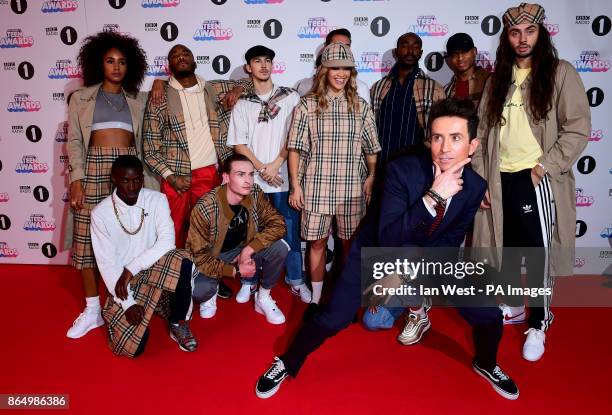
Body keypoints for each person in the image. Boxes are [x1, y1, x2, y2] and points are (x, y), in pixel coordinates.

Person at [256, 98, 520, 400]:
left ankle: (486, 363)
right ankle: (287, 363)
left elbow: (451, 239)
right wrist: (433, 197)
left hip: (427, 256)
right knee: (333, 318)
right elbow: (388, 237)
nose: (445, 148)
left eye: (456, 138)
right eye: (437, 137)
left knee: (487, 312)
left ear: (472, 146)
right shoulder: (401, 172)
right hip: (376, 251)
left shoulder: (474, 186)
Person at [472, 2, 590, 361]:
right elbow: (482, 132)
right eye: (514, 32)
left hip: (535, 177)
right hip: (498, 176)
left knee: (539, 255)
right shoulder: (497, 79)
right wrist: (480, 179)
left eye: (530, 31)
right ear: (506, 38)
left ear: (542, 34)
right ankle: (514, 305)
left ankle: (538, 322)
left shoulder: (561, 73)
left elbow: (578, 128)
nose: (522, 39)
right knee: (506, 249)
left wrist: (544, 167)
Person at [65, 31, 158, 339]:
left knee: (130, 239)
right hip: (93, 169)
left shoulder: (138, 99)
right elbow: (76, 142)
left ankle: (126, 299)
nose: (116, 67)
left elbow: (171, 96)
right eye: (109, 61)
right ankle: (93, 310)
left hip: (129, 170)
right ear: (98, 63)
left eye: (122, 62)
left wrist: (159, 82)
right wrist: (77, 179)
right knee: (87, 242)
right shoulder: (82, 97)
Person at [143, 44, 245, 299]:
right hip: (175, 176)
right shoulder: (160, 96)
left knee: (210, 233)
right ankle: (174, 283)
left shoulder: (212, 88)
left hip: (209, 174)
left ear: (194, 60)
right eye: (175, 56)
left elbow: (253, 82)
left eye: (185, 54)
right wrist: (169, 176)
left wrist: (239, 88)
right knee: (173, 232)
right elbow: (149, 146)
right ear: (169, 65)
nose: (181, 58)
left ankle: (209, 278)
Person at [287, 42, 381, 312]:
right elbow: (295, 148)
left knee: (349, 244)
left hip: (352, 187)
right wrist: (295, 185)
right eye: (334, 67)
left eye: (346, 68)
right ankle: (316, 297)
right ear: (323, 70)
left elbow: (371, 147)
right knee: (316, 241)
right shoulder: (307, 105)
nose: (340, 73)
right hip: (316, 185)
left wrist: (372, 175)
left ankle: (347, 295)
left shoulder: (361, 106)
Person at [363, 32, 445, 332]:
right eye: (404, 45)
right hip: (383, 174)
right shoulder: (380, 87)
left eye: (415, 46)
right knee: (384, 234)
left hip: (417, 178)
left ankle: (416, 299)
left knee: (414, 236)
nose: (410, 50)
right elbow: (370, 134)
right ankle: (384, 286)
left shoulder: (432, 88)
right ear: (396, 51)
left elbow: (440, 136)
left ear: (421, 50)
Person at [227, 45, 311, 304]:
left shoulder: (291, 98)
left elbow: (295, 137)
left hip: (285, 178)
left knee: (291, 232)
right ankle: (249, 280)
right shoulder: (242, 104)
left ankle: (295, 280)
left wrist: (276, 164)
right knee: (250, 233)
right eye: (257, 61)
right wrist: (263, 168)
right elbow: (239, 144)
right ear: (248, 68)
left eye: (267, 61)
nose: (263, 66)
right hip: (254, 182)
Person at [90, 155, 197, 357]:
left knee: (184, 260)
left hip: (154, 269)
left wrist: (131, 268)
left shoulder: (157, 199)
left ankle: (178, 320)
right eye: (125, 181)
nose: (132, 187)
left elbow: (167, 242)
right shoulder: (100, 214)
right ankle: (145, 306)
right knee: (132, 349)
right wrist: (128, 304)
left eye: (137, 179)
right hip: (123, 282)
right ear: (114, 179)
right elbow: (107, 263)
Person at [187, 154, 289, 324]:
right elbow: (197, 255)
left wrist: (249, 250)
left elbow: (278, 223)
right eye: (241, 174)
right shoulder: (205, 207)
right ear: (226, 177)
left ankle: (262, 298)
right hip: (215, 255)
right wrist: (235, 271)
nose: (248, 180)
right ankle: (212, 291)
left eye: (251, 174)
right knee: (198, 290)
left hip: (244, 247)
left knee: (280, 248)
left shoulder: (254, 192)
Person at [294, 28, 370, 102]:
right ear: (325, 47)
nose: (342, 49)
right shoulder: (305, 86)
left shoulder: (361, 88)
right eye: (337, 44)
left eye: (347, 46)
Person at [443, 32, 490, 108]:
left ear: (474, 51)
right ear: (450, 58)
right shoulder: (447, 90)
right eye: (454, 54)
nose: (460, 58)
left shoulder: (490, 81)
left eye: (464, 52)